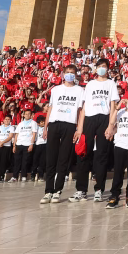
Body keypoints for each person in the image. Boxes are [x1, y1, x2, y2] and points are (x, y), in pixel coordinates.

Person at [75, 58, 118, 202]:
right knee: (83, 153)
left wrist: (111, 125)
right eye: (99, 66)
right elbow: (84, 106)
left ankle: (99, 189)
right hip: (89, 119)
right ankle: (81, 190)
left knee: (101, 155)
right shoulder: (90, 84)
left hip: (104, 119)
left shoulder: (111, 83)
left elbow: (112, 106)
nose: (101, 68)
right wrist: (80, 127)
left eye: (104, 66)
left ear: (108, 69)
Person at [41, 65, 83, 204]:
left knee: (63, 159)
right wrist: (46, 127)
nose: (69, 75)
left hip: (70, 124)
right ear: (63, 74)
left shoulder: (79, 90)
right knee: (51, 158)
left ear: (76, 75)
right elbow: (50, 108)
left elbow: (80, 110)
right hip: (54, 123)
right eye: (67, 72)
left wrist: (78, 128)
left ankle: (57, 191)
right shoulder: (56, 89)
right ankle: (48, 191)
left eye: (72, 73)